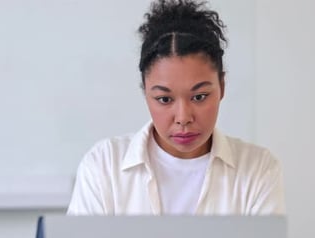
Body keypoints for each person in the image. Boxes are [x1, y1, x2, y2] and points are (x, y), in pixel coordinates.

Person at [67, 0, 285, 215]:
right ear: (145, 92)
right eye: (164, 99)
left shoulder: (257, 169)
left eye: (199, 96)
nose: (183, 118)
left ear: (222, 87)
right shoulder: (103, 166)